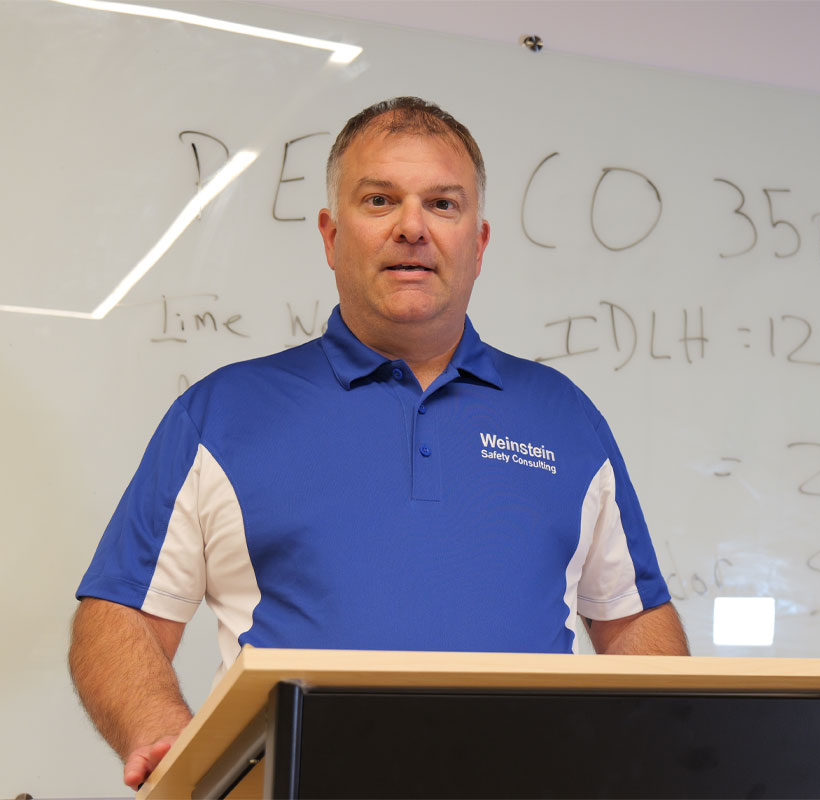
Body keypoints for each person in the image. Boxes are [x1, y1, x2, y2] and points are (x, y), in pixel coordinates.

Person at [69, 97, 689, 790]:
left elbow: (633, 620)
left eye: (443, 205)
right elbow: (121, 614)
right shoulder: (222, 413)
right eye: (379, 200)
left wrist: (664, 757)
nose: (413, 228)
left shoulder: (565, 417)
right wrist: (166, 737)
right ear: (332, 236)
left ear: (478, 244)